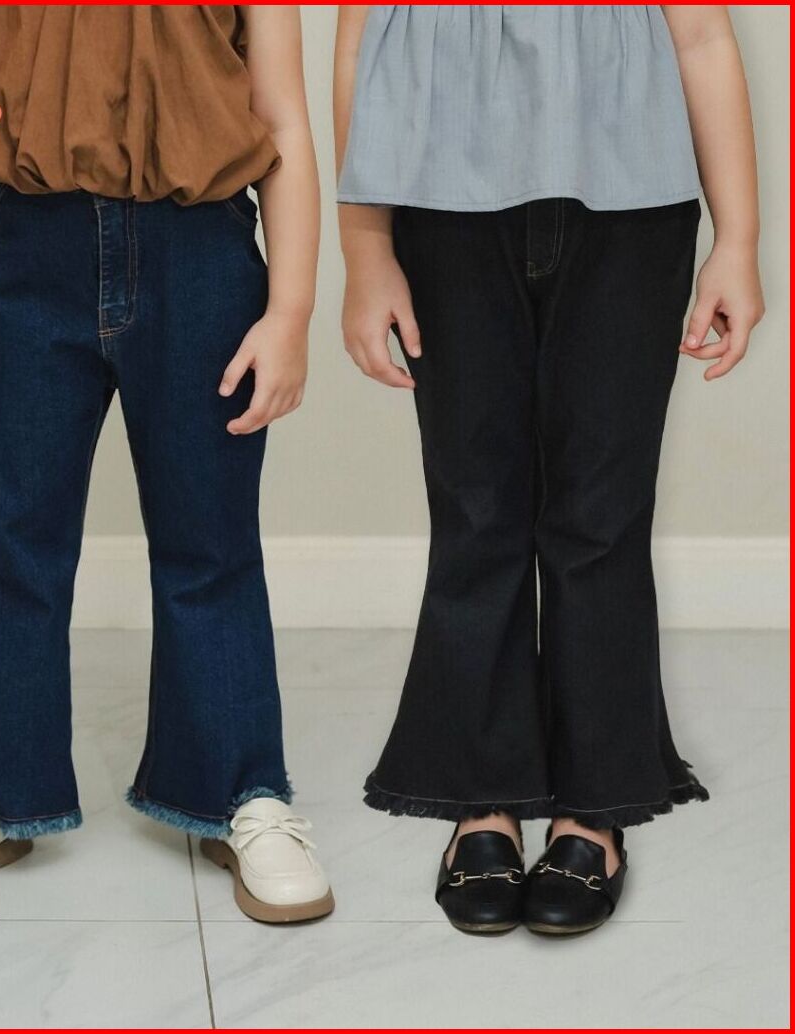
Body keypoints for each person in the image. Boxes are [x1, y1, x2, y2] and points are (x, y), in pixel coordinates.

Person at [0, 4, 334, 925]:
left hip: (202, 253)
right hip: (37, 245)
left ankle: (242, 791)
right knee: (21, 533)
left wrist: (291, 313)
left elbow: (282, 115)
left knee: (211, 539)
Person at [334, 5, 763, 935]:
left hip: (633, 209)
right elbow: (361, 42)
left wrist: (740, 240)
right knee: (475, 506)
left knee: (601, 513)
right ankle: (482, 793)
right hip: (440, 202)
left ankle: (593, 803)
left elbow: (703, 36)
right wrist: (365, 250)